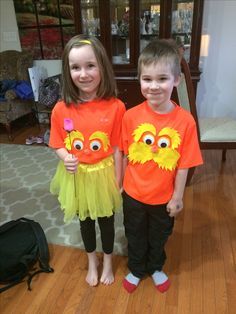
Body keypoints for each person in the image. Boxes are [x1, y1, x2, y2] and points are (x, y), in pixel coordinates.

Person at [121, 39, 203, 293]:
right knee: (134, 233)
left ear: (176, 80)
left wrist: (177, 197)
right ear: (139, 80)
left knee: (159, 235)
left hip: (163, 197)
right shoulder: (130, 116)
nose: (154, 86)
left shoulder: (185, 121)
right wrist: (120, 184)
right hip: (133, 193)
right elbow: (124, 153)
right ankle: (136, 268)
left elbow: (184, 164)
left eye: (162, 79)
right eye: (147, 79)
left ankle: (155, 267)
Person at [49, 34, 126, 287]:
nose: (83, 74)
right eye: (75, 67)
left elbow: (117, 147)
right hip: (77, 175)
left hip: (104, 174)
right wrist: (65, 157)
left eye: (90, 65)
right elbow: (57, 142)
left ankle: (106, 261)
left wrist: (118, 179)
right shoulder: (61, 108)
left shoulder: (116, 107)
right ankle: (91, 260)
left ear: (102, 66)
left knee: (106, 221)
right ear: (67, 70)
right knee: (85, 221)